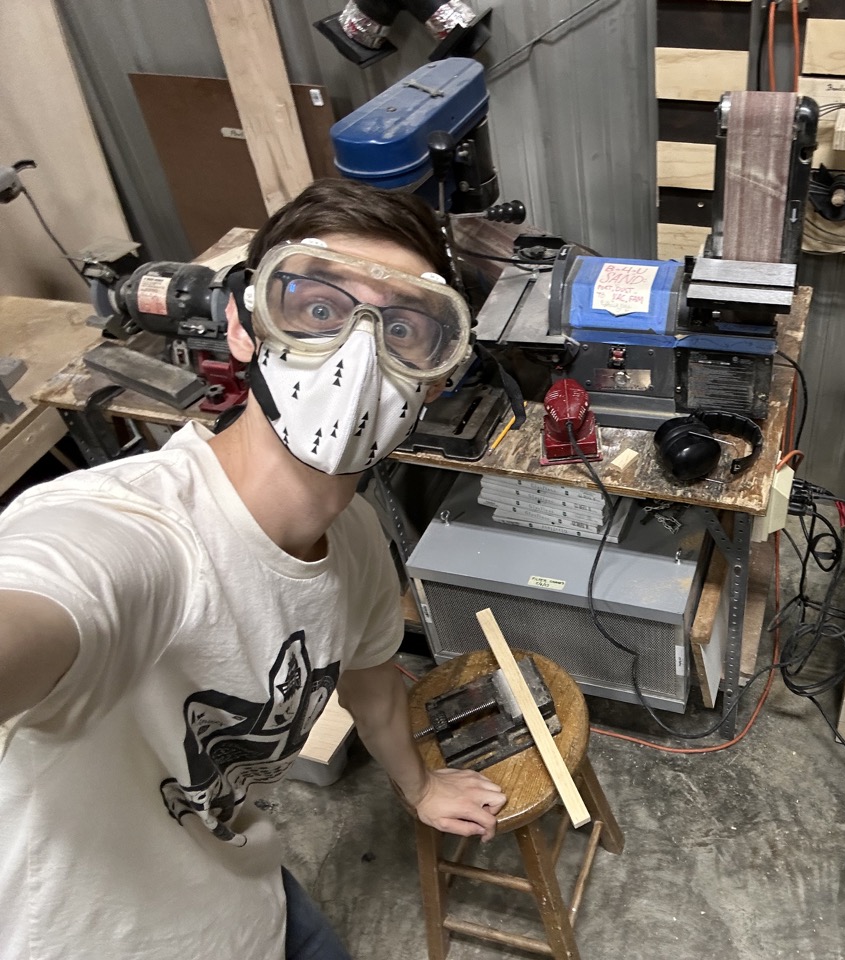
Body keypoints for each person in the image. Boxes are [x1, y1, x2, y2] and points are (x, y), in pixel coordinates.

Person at [0, 178, 506, 960]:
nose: (359, 354)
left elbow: (372, 687)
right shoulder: (141, 536)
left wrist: (418, 786)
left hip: (249, 900)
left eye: (404, 326)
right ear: (243, 325)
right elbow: (51, 597)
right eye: (317, 310)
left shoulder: (361, 542)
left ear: (434, 377)